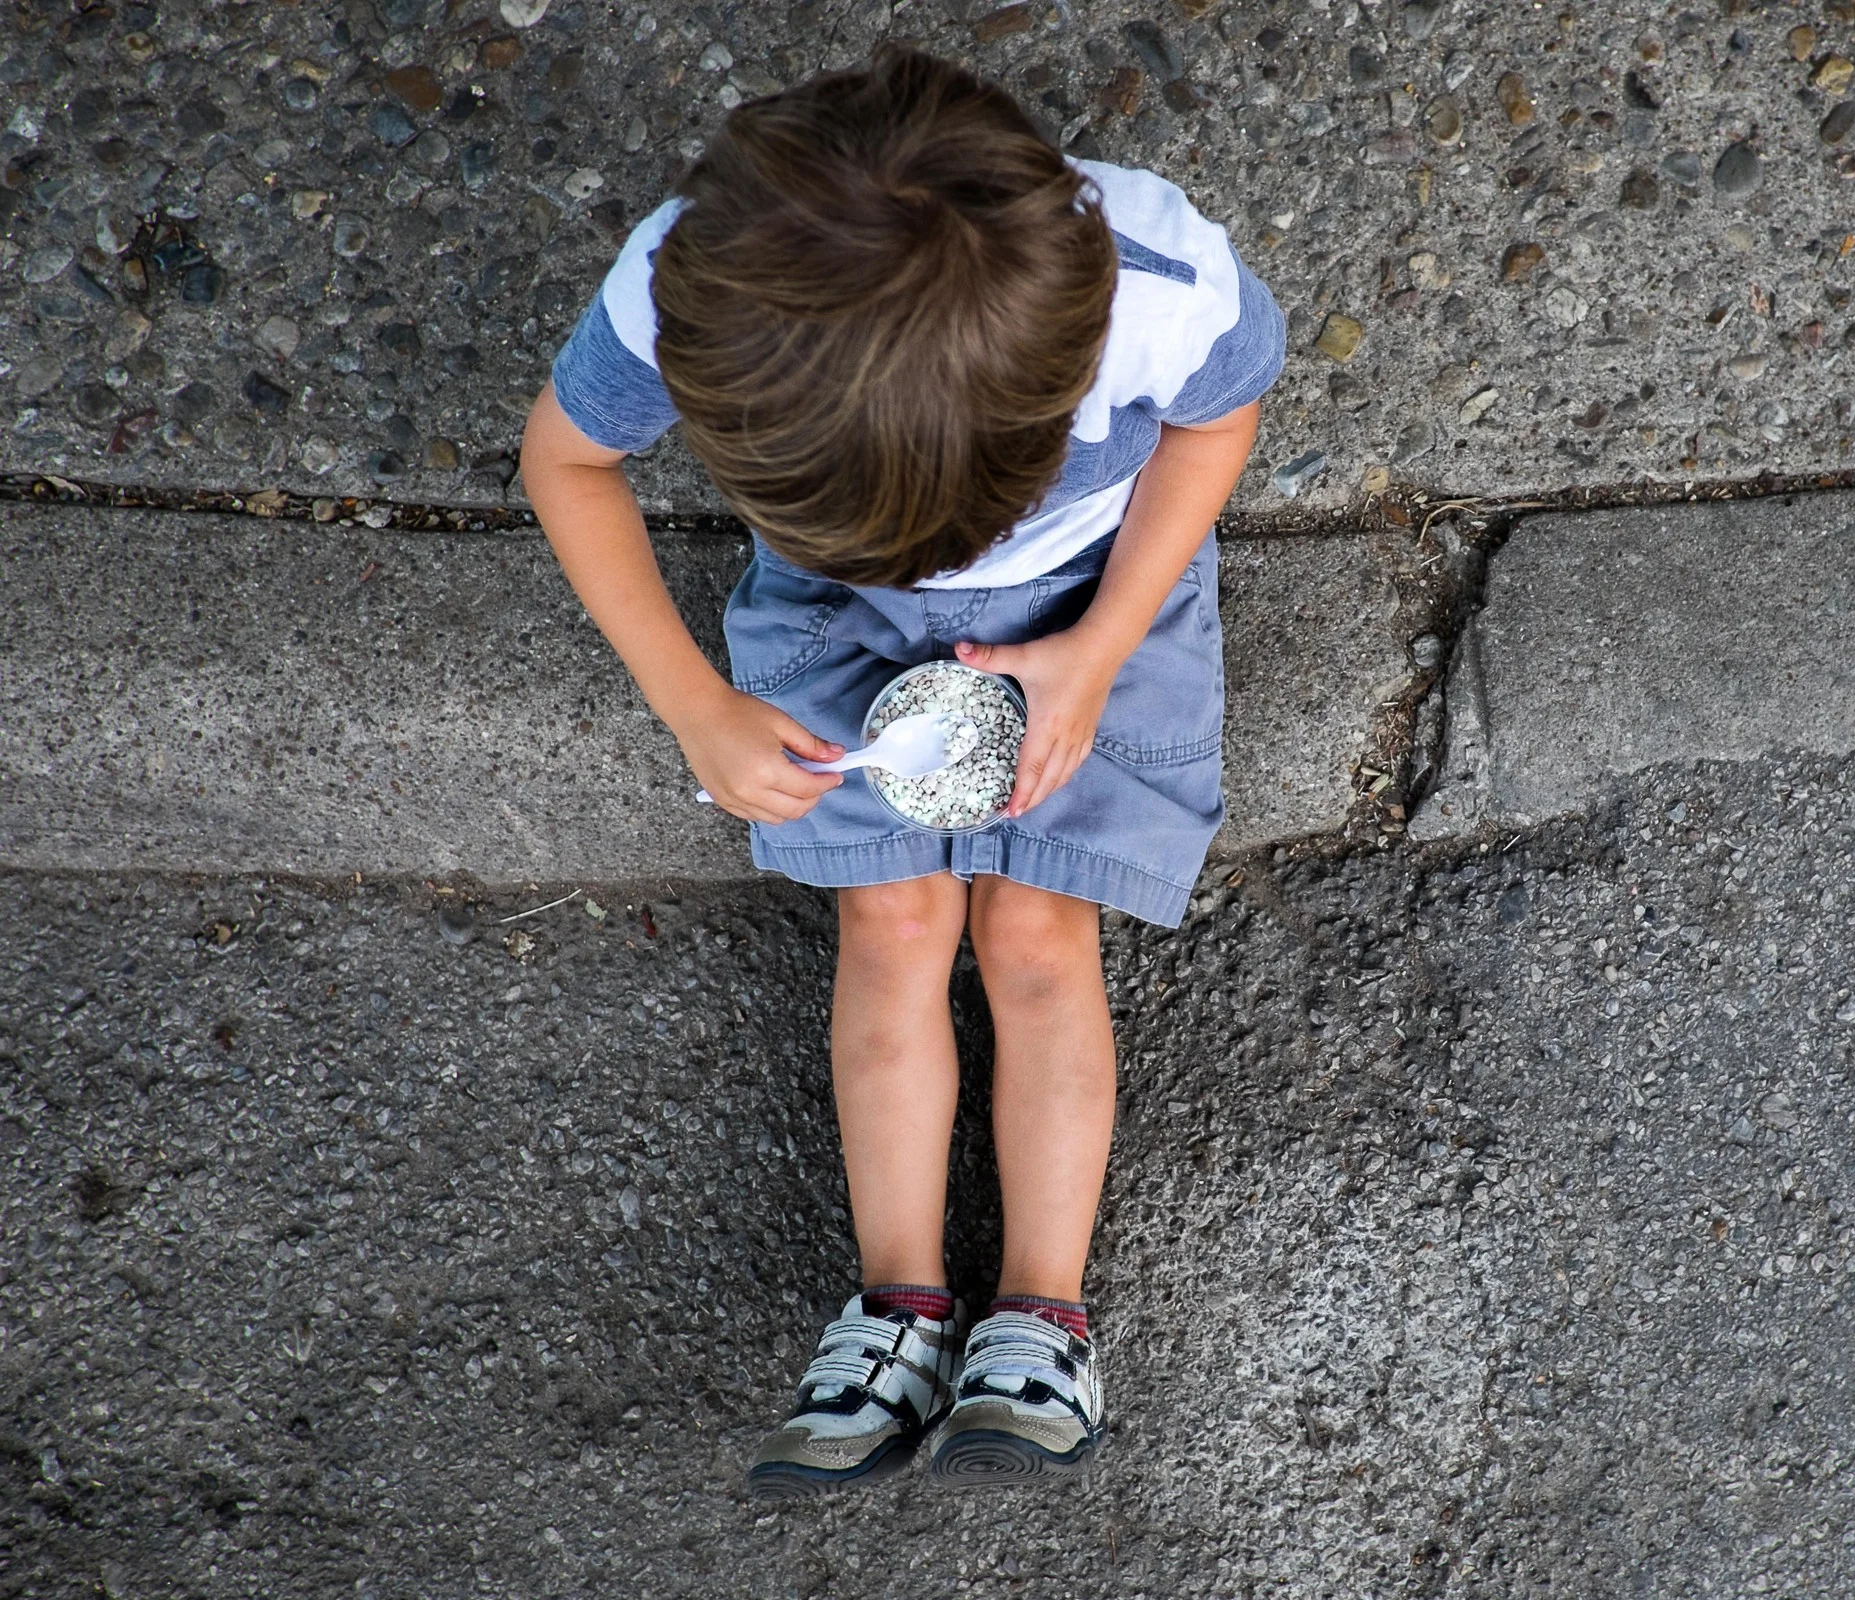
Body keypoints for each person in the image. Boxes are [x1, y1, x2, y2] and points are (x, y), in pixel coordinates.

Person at [518, 45, 1282, 1490]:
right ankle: (898, 1303)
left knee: (1041, 932)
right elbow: (566, 460)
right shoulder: (681, 287)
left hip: (1090, 601)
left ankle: (1041, 1315)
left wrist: (1106, 644)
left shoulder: (1157, 281)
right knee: (893, 918)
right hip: (836, 614)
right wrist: (694, 703)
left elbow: (1217, 418)